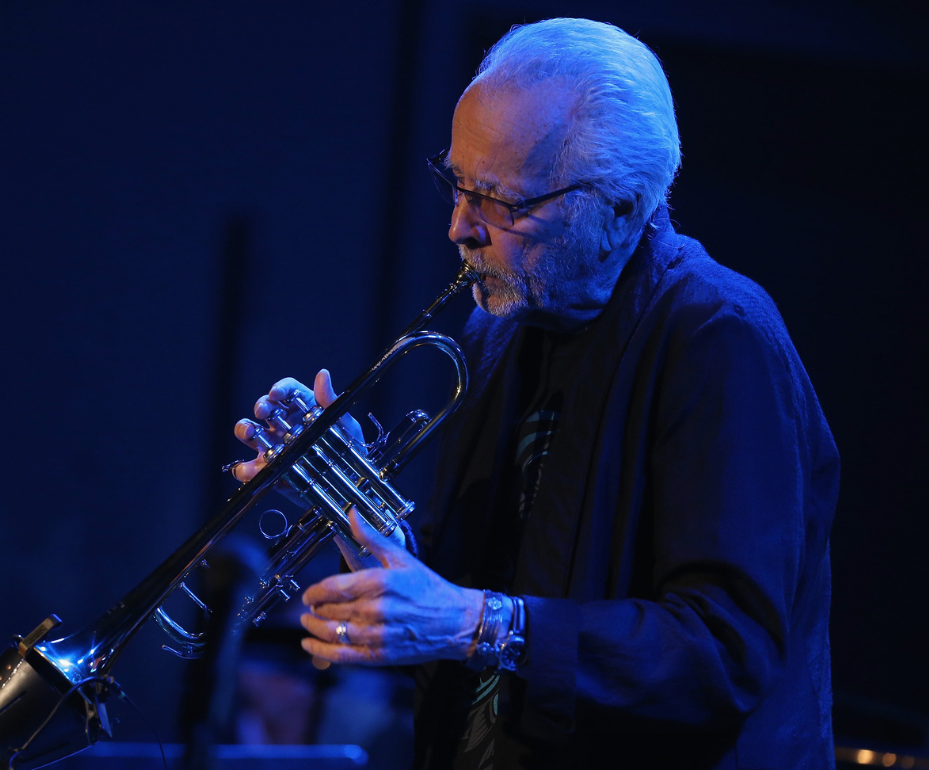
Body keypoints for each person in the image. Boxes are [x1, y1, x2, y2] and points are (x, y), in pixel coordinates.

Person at [232, 18, 838, 769]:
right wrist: (353, 509)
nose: (460, 227)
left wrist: (478, 625)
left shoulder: (719, 335)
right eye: (456, 184)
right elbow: (467, 611)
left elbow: (725, 653)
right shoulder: (499, 332)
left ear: (619, 207)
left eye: (502, 201)